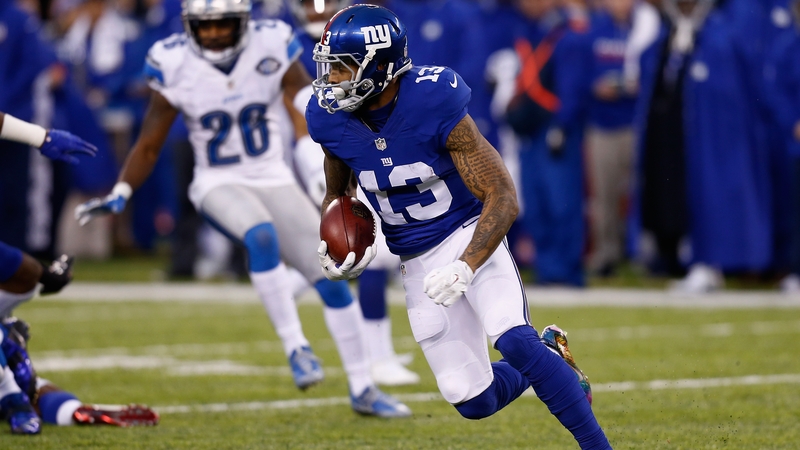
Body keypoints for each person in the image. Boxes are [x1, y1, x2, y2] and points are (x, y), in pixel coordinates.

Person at [74, 0, 410, 418]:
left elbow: (302, 96)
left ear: (244, 21)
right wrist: (123, 189)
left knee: (332, 275)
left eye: (224, 24)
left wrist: (327, 127)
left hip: (273, 176)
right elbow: (149, 140)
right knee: (260, 235)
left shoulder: (271, 43)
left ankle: (364, 386)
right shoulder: (172, 60)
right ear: (190, 26)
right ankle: (296, 346)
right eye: (206, 25)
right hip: (217, 181)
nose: (214, 34)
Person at [306, 5, 610, 449]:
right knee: (472, 400)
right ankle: (552, 357)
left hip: (468, 231)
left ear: (378, 66)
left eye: (342, 68)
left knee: (512, 339)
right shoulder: (329, 118)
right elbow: (340, 191)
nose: (331, 80)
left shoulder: (432, 99)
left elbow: (503, 195)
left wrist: (467, 264)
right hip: (414, 257)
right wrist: (337, 239)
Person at [285, 0, 420, 386]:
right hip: (322, 146)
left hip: (356, 141)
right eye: (312, 5)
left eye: (325, 4)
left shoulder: (357, 37)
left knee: (368, 254)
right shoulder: (294, 45)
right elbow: (300, 107)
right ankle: (377, 356)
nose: (318, 11)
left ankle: (292, 285)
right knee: (365, 254)